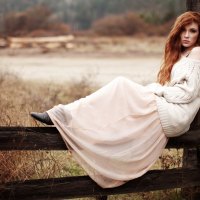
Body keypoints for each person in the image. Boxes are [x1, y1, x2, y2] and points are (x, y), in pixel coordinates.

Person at [30, 11, 200, 188]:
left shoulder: (196, 52)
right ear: (177, 31)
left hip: (175, 113)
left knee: (121, 85)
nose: (186, 35)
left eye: (193, 31)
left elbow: (187, 93)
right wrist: (159, 90)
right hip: (171, 111)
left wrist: (158, 90)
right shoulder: (182, 54)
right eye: (183, 30)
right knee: (121, 106)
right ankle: (83, 126)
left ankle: (65, 114)